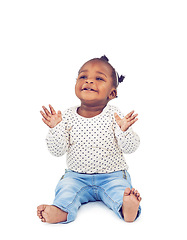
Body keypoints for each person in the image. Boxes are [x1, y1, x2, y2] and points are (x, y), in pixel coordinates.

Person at [37, 55, 142, 224]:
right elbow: (57, 151)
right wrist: (56, 129)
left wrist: (124, 131)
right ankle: (61, 210)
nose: (89, 81)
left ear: (112, 93)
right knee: (66, 189)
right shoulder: (66, 116)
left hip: (112, 175)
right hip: (76, 176)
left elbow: (131, 147)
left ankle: (126, 208)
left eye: (99, 78)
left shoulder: (115, 116)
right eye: (83, 76)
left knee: (120, 190)